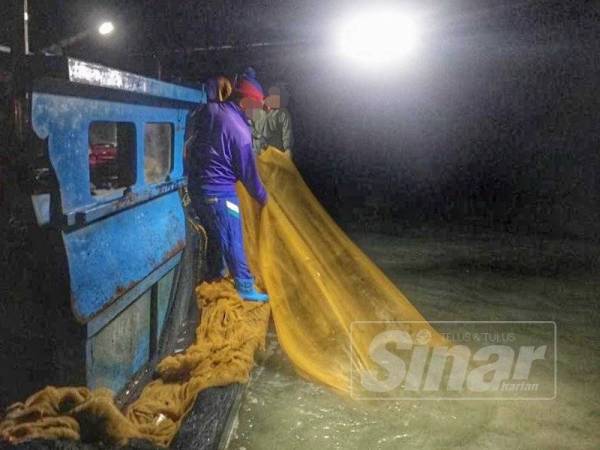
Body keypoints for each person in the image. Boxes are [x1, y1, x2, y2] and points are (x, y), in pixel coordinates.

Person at [186, 75, 269, 302]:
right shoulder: (240, 132)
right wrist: (264, 198)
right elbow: (248, 175)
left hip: (197, 189)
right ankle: (244, 286)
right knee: (233, 235)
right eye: (257, 106)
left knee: (215, 234)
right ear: (246, 101)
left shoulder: (214, 110)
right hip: (219, 193)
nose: (258, 111)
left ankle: (215, 275)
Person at [254, 83, 294, 158]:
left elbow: (287, 135)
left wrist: (288, 151)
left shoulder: (283, 113)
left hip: (274, 157)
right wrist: (258, 136)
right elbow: (249, 126)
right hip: (257, 156)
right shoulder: (256, 111)